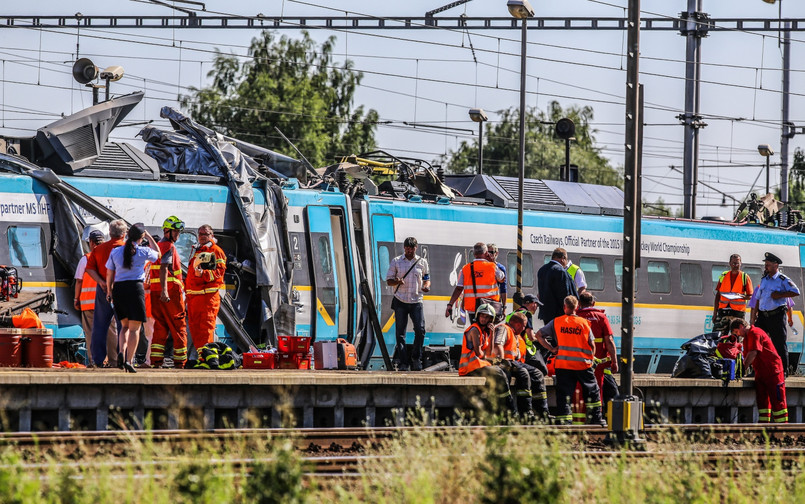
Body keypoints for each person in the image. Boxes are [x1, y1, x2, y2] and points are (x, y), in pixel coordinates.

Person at [535, 295, 603, 425]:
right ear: (577, 307)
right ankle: (596, 417)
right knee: (593, 391)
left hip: (563, 364)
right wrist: (591, 359)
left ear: (564, 307)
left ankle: (564, 420)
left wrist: (552, 349)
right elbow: (592, 344)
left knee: (564, 393)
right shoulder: (584, 323)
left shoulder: (557, 322)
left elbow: (539, 335)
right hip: (583, 364)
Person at [105, 223, 160, 373]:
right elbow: (158, 253)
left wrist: (109, 291)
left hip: (119, 289)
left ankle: (121, 352)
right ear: (141, 238)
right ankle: (129, 360)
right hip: (135, 289)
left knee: (124, 326)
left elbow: (109, 273)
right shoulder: (143, 251)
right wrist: (148, 235)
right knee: (135, 328)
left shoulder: (116, 252)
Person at [489, 311, 549, 418]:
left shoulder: (517, 335)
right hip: (504, 362)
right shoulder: (503, 328)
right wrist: (502, 361)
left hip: (513, 363)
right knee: (524, 373)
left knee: (537, 374)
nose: (524, 329)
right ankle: (525, 412)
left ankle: (542, 413)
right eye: (524, 326)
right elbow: (498, 344)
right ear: (517, 324)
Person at [457, 303, 514, 414]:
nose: (483, 319)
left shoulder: (485, 332)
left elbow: (489, 354)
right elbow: (480, 354)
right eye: (482, 316)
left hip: (480, 364)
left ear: (491, 319)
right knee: (499, 372)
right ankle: (509, 407)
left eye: (487, 317)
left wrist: (492, 334)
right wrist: (490, 359)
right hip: (470, 367)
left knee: (507, 366)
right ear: (477, 316)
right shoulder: (474, 330)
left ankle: (499, 403)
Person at [85, 219, 127, 368]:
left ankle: (97, 360)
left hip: (103, 290)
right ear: (124, 234)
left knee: (100, 326)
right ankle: (123, 358)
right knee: (124, 326)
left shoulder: (99, 249)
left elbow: (89, 268)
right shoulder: (127, 248)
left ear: (109, 233)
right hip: (123, 291)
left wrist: (101, 282)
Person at [749, 252, 800, 375]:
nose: (765, 267)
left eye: (768, 264)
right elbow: (758, 298)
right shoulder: (764, 280)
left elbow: (796, 291)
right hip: (763, 316)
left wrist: (780, 295)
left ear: (775, 265)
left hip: (776, 315)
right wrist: (755, 314)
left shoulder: (782, 279)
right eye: (765, 264)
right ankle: (756, 369)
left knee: (779, 343)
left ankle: (783, 370)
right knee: (757, 341)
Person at [730, 319, 788, 423]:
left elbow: (753, 353)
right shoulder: (747, 338)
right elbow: (747, 356)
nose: (738, 335)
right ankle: (764, 427)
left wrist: (742, 370)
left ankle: (783, 428)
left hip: (773, 371)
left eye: (737, 332)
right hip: (761, 372)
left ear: (741, 326)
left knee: (778, 401)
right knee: (762, 401)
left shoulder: (755, 332)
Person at [150, 216, 189, 368]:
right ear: (168, 231)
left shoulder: (157, 246)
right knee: (179, 327)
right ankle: (181, 362)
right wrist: (165, 291)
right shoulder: (169, 247)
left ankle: (156, 361)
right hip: (170, 293)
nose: (178, 235)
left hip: (155, 292)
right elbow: (164, 267)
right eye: (177, 232)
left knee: (160, 327)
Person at [386, 236, 430, 371]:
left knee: (420, 330)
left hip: (416, 300)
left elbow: (427, 278)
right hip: (400, 300)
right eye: (407, 248)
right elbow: (389, 281)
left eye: (412, 248)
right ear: (404, 248)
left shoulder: (422, 262)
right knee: (400, 333)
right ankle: (404, 362)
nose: (409, 251)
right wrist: (397, 281)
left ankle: (416, 358)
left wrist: (426, 286)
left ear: (416, 248)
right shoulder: (396, 261)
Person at [73, 229, 116, 366]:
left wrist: (76, 299)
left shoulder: (85, 258)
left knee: (91, 332)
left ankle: (95, 361)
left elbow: (79, 281)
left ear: (91, 242)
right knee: (111, 332)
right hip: (108, 301)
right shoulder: (110, 255)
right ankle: (114, 361)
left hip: (89, 304)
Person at [186, 225, 227, 356]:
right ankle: (202, 358)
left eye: (206, 233)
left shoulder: (216, 251)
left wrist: (203, 274)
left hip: (207, 297)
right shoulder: (197, 251)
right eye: (200, 233)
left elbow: (219, 273)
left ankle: (209, 358)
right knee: (195, 329)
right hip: (194, 298)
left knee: (206, 328)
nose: (203, 236)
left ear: (212, 235)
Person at [577, 292, 619, 417]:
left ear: (579, 304)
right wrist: (614, 361)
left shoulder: (576, 317)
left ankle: (581, 419)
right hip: (599, 363)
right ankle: (597, 417)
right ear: (593, 303)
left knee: (579, 391)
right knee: (598, 389)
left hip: (578, 363)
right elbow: (609, 341)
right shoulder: (601, 317)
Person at [445, 242, 504, 323]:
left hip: (473, 308)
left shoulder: (465, 269)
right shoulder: (492, 266)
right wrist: (492, 262)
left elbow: (459, 288)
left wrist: (450, 304)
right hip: (489, 308)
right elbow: (502, 279)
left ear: (474, 253)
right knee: (489, 333)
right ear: (486, 253)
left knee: (475, 331)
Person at [536, 248, 579, 324]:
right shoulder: (560, 271)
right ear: (563, 258)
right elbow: (564, 293)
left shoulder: (542, 270)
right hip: (558, 313)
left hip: (545, 313)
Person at [712, 254, 753, 332]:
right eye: (734, 263)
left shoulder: (745, 277)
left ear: (741, 263)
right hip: (723, 311)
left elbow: (751, 296)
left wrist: (741, 296)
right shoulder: (724, 276)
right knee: (717, 337)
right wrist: (715, 313)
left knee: (738, 338)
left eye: (737, 263)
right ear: (730, 263)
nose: (736, 265)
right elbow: (718, 295)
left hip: (738, 312)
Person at [486, 243, 507, 309]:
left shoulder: (500, 268)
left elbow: (503, 288)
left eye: (491, 252)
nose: (489, 255)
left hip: (494, 301)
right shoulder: (482, 266)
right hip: (482, 300)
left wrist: (504, 306)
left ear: (496, 253)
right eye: (487, 253)